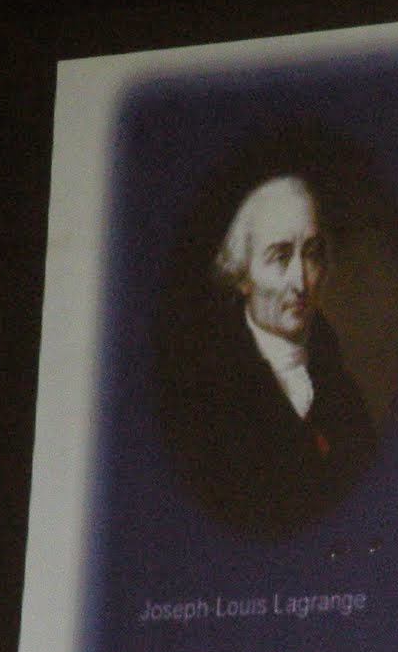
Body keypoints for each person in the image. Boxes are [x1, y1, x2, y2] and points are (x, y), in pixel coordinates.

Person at [154, 173, 379, 536]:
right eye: (280, 257)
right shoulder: (203, 396)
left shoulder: (344, 397)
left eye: (311, 255)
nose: (300, 282)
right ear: (243, 275)